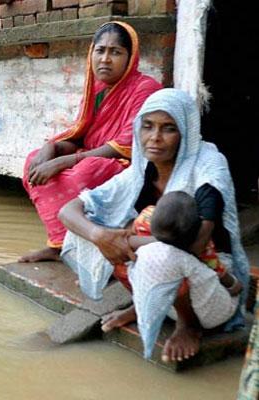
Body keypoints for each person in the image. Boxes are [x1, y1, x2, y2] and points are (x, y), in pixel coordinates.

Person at [58, 88, 250, 363]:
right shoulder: (141, 170)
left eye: (168, 128)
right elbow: (69, 211)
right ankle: (142, 304)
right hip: (162, 275)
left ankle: (188, 326)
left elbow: (194, 245)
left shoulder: (208, 164)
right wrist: (100, 234)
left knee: (158, 254)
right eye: (147, 126)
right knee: (89, 229)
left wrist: (126, 241)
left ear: (185, 131)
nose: (155, 138)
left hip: (210, 293)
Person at [18, 22, 162, 263]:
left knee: (82, 173)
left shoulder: (144, 89)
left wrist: (65, 161)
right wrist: (50, 149)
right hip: (91, 155)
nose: (105, 59)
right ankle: (58, 244)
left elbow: (125, 145)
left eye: (115, 52)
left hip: (129, 165)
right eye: (100, 50)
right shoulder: (96, 90)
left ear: (130, 57)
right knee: (34, 160)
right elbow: (81, 137)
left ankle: (77, 245)